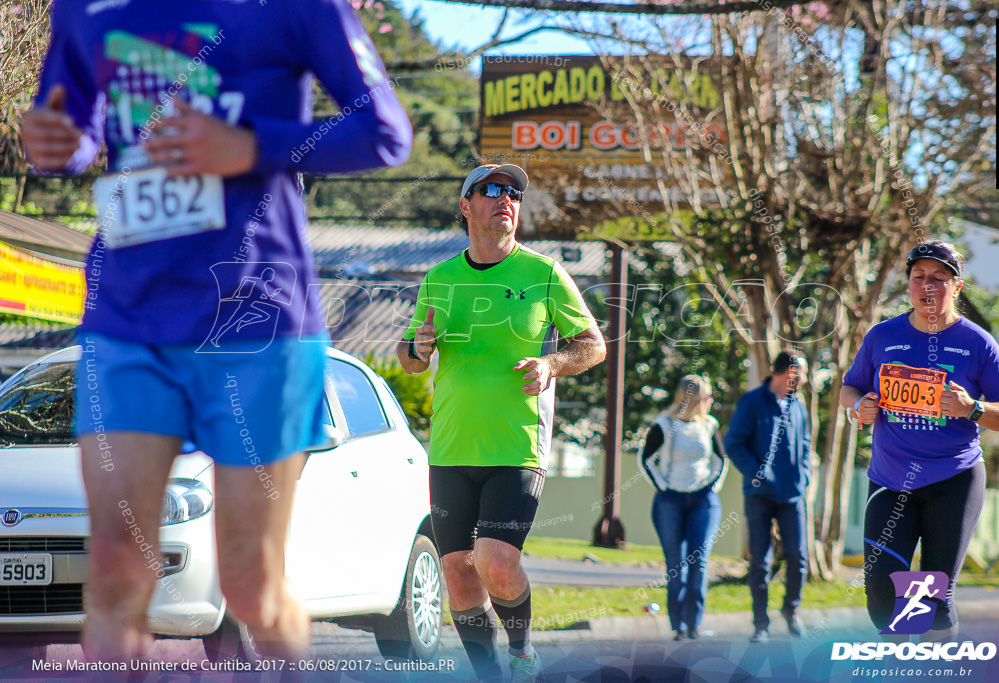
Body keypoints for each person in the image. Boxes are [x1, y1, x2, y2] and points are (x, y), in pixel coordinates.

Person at [21, 0, 412, 662]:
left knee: (252, 584)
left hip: (255, 321)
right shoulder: (83, 7)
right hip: (126, 318)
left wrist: (253, 145)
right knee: (114, 571)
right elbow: (79, 129)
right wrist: (61, 145)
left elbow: (385, 131)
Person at [396, 163, 606, 680]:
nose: (504, 198)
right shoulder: (440, 278)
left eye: (513, 192)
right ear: (466, 207)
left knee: (494, 562)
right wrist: (417, 348)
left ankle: (521, 650)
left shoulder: (544, 275)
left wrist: (551, 363)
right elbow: (410, 355)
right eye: (490, 190)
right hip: (449, 448)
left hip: (516, 446)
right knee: (457, 573)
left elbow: (593, 345)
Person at [841, 240, 999, 640]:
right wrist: (860, 408)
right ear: (907, 282)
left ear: (957, 287)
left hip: (953, 480)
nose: (928, 286)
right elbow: (849, 388)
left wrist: (972, 408)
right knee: (883, 593)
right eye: (919, 276)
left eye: (940, 278)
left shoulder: (978, 343)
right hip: (890, 480)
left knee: (932, 596)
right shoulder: (882, 336)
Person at [724, 349, 813, 643]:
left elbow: (805, 443)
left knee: (798, 557)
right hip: (759, 495)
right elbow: (734, 444)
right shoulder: (752, 402)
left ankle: (792, 611)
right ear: (788, 373)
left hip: (793, 495)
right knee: (760, 562)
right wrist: (757, 473)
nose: (804, 380)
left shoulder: (798, 404)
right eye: (801, 374)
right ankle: (760, 624)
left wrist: (804, 476)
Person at [638, 374, 728, 641]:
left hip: (704, 501)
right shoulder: (664, 425)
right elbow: (645, 460)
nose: (710, 400)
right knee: (675, 566)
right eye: (707, 396)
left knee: (699, 563)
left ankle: (694, 624)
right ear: (695, 398)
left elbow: (720, 461)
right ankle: (677, 626)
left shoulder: (709, 425)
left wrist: (710, 486)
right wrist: (664, 487)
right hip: (670, 502)